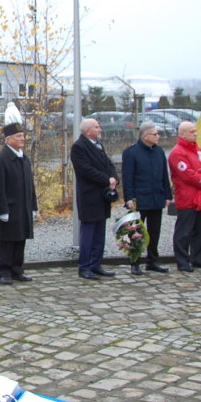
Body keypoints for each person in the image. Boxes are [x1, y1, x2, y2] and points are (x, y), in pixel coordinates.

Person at [0, 103, 36, 285]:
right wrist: (2, 210)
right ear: (8, 139)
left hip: (23, 206)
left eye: (23, 136)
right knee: (7, 241)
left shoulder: (24, 158)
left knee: (21, 239)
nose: (23, 139)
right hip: (9, 207)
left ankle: (17, 268)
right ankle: (4, 271)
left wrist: (33, 205)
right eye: (19, 136)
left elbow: (30, 185)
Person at [121, 122, 173, 275]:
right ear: (145, 136)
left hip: (156, 197)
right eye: (155, 134)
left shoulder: (159, 152)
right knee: (136, 232)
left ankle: (152, 261)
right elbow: (127, 177)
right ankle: (134, 262)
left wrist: (167, 195)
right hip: (139, 199)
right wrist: (129, 197)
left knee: (154, 231)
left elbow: (164, 175)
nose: (158, 137)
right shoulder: (131, 152)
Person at [71, 118, 119, 280]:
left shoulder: (98, 145)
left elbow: (108, 164)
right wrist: (106, 180)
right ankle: (84, 266)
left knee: (99, 232)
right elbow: (85, 170)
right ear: (87, 131)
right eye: (97, 127)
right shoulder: (79, 147)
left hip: (102, 196)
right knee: (88, 233)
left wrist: (113, 178)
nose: (100, 129)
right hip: (89, 196)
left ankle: (96, 264)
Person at [169, 121, 201, 272]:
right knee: (184, 232)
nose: (195, 134)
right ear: (182, 134)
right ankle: (182, 261)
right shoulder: (177, 153)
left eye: (195, 131)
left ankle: (199, 258)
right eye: (191, 132)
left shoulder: (198, 150)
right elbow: (188, 175)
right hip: (187, 197)